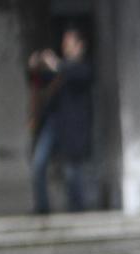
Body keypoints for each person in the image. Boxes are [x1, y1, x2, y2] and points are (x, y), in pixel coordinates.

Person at [28, 26, 95, 214]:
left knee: (72, 171)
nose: (65, 47)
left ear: (80, 46)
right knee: (38, 163)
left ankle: (77, 208)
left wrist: (56, 64)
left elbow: (76, 74)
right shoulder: (59, 69)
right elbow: (38, 82)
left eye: (69, 43)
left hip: (73, 127)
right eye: (64, 43)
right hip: (53, 124)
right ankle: (42, 207)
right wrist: (35, 66)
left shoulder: (82, 67)